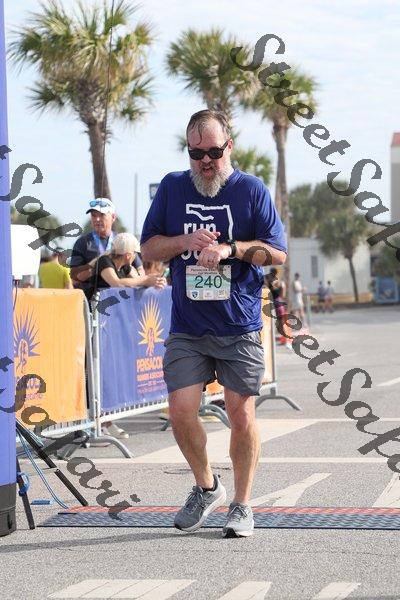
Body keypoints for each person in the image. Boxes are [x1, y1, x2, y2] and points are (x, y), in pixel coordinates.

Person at [141, 109, 287, 538]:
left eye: (213, 152)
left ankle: (242, 504)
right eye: (196, 153)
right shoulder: (172, 188)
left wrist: (231, 250)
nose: (205, 161)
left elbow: (277, 253)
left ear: (230, 147)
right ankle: (207, 487)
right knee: (181, 411)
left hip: (238, 325)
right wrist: (184, 241)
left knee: (240, 414)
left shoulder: (251, 190)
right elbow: (149, 248)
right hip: (188, 326)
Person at [70, 198, 165, 439]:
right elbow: (75, 276)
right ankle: (90, 420)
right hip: (91, 313)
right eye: (93, 215)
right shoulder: (83, 242)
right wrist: (96, 265)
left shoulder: (125, 241)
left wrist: (149, 279)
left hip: (119, 319)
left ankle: (106, 418)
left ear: (113, 217)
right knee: (90, 366)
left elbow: (140, 274)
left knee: (111, 366)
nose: (97, 219)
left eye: (101, 215)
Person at [265, 267, 291, 348]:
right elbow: (283, 295)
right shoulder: (280, 282)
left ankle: (283, 341)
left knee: (275, 324)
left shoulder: (268, 280)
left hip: (271, 303)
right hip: (278, 302)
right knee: (281, 323)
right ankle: (286, 341)